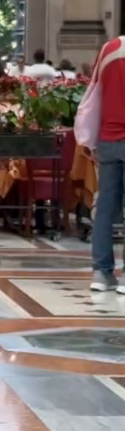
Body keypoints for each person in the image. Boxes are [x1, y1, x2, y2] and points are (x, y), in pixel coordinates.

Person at [88, 34, 125, 293]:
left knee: (104, 208)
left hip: (108, 138)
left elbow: (94, 92)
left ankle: (101, 274)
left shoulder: (109, 48)